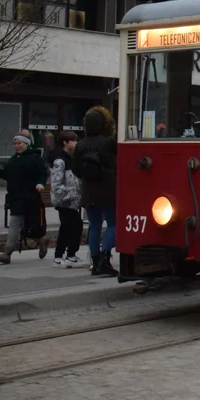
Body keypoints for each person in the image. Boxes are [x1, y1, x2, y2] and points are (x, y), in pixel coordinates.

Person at [0, 133, 48, 264]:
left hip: (31, 198)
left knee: (31, 228)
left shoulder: (35, 158)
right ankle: (7, 253)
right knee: (15, 223)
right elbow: (7, 174)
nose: (16, 146)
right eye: (15, 144)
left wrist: (41, 184)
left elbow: (42, 174)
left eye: (19, 143)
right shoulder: (14, 159)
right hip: (16, 198)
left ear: (27, 144)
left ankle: (41, 241)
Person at [73, 106, 118, 276]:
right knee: (114, 224)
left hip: (88, 191)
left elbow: (76, 169)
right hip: (107, 190)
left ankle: (95, 260)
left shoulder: (81, 144)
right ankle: (104, 257)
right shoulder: (109, 142)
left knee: (94, 226)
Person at [49, 130, 84, 267]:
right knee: (75, 226)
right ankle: (70, 255)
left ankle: (59, 256)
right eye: (73, 140)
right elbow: (57, 183)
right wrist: (70, 195)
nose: (76, 143)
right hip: (65, 201)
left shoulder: (68, 158)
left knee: (66, 228)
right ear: (65, 142)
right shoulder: (60, 160)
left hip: (69, 201)